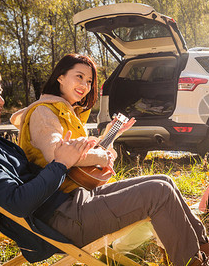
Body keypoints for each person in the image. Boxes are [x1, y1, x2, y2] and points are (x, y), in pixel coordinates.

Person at [0, 60, 209, 266]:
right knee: (159, 193)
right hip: (58, 222)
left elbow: (52, 170)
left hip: (69, 203)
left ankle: (208, 257)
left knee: (163, 181)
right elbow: (17, 203)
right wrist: (61, 163)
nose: (1, 100)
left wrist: (89, 153)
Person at [10, 54, 149, 255]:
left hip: (78, 194)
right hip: (63, 205)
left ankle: (124, 250)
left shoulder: (68, 112)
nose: (85, 85)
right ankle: (123, 250)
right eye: (79, 76)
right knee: (155, 194)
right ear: (60, 77)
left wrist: (111, 135)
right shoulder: (44, 112)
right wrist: (104, 157)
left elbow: (83, 158)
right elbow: (57, 155)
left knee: (161, 187)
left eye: (90, 81)